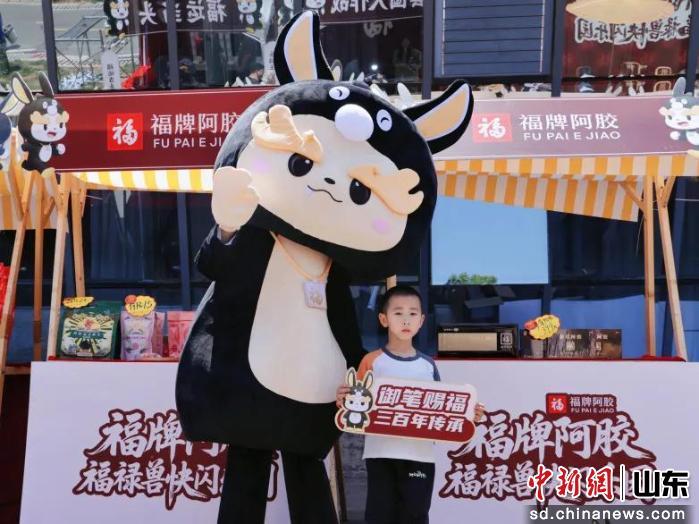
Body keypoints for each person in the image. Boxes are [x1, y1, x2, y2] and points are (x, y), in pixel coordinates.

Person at [337, 285, 484, 524]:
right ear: (383, 319)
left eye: (413, 313)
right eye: (398, 313)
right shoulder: (371, 361)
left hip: (420, 456)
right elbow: (356, 406)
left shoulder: (427, 366)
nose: (406, 319)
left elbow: (442, 413)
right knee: (379, 516)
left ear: (422, 320)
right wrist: (344, 399)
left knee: (415, 515)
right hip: (380, 454)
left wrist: (468, 416)